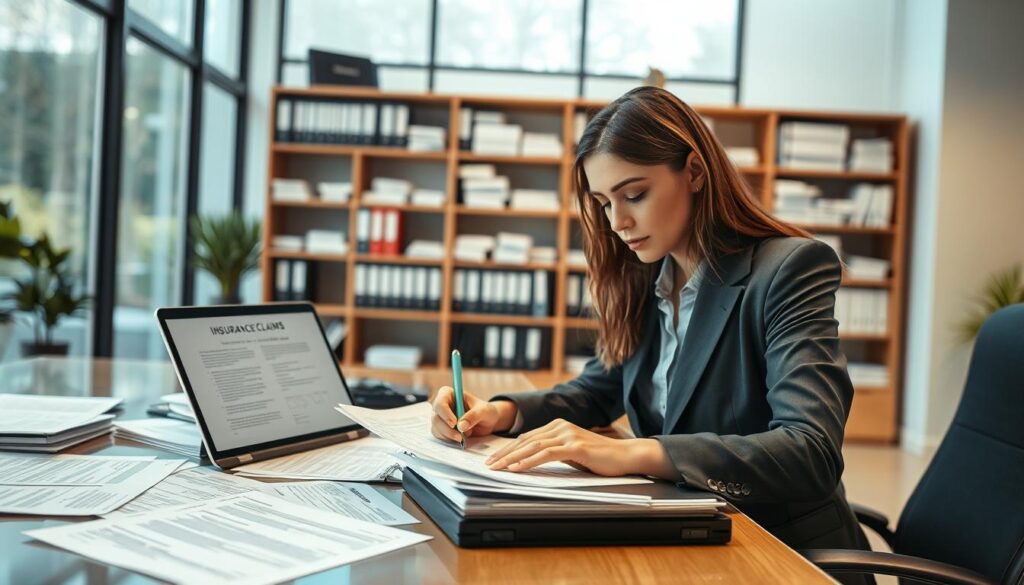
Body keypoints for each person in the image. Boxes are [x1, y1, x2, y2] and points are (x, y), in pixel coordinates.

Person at [430, 86, 873, 575]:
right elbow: (600, 389)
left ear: (696, 173)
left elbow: (809, 452)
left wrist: (634, 453)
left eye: (634, 195)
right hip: (692, 535)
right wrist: (500, 413)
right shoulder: (646, 273)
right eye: (603, 203)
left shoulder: (788, 270)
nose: (617, 222)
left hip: (783, 553)